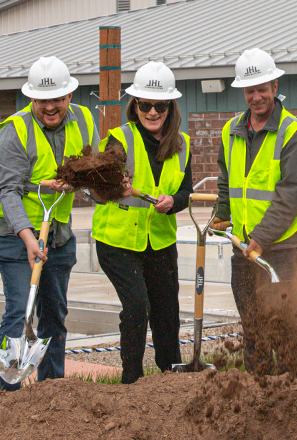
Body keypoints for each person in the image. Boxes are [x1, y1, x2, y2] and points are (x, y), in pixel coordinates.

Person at [0, 56, 95, 390]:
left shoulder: (84, 120)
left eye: (57, 99)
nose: (50, 107)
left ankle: (53, 392)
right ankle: (6, 394)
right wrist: (28, 238)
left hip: (58, 232)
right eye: (42, 100)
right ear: (32, 99)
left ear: (69, 97)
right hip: (12, 233)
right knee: (20, 310)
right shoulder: (14, 132)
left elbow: (86, 169)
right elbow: (8, 190)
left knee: (54, 316)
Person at [211, 48, 297, 375]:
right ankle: (257, 393)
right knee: (253, 329)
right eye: (249, 90)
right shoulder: (232, 131)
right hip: (244, 247)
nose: (256, 97)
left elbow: (291, 195)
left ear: (274, 86)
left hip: (280, 249)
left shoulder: (292, 133)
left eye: (261, 89)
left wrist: (261, 237)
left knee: (282, 328)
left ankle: (289, 393)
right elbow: (227, 183)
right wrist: (220, 213)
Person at [92, 61, 193, 384]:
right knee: (137, 307)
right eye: (145, 105)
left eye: (159, 106)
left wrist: (173, 202)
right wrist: (110, 186)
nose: (152, 112)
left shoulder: (183, 144)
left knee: (167, 313)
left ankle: (170, 379)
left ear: (169, 107)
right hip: (118, 240)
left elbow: (186, 192)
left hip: (160, 240)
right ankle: (131, 382)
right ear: (134, 106)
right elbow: (97, 189)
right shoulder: (119, 140)